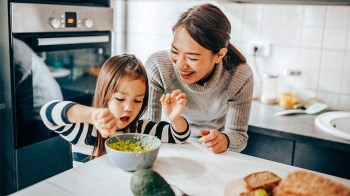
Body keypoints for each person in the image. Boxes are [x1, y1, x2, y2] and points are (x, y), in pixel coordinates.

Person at [40, 54, 190, 167]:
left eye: (137, 100)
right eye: (120, 99)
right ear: (105, 95)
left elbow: (178, 136)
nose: (129, 108)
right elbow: (48, 113)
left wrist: (175, 118)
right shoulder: (85, 131)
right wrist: (92, 115)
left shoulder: (140, 130)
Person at [143, 3, 253, 154]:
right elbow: (147, 130)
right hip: (172, 142)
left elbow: (238, 135)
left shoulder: (239, 75)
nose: (181, 65)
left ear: (219, 55)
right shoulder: (158, 67)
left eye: (192, 58)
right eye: (174, 51)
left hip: (214, 151)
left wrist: (224, 141)